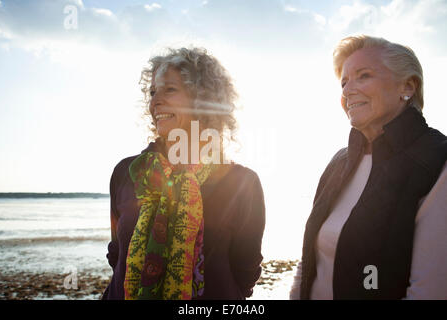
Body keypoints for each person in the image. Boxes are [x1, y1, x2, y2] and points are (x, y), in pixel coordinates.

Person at [290, 35, 447, 300]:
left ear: (407, 86)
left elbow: (429, 291)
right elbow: (308, 262)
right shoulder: (338, 162)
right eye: (344, 82)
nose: (348, 90)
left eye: (363, 76)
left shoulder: (437, 160)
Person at [102, 47, 265, 300]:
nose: (155, 101)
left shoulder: (240, 183)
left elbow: (246, 270)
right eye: (153, 91)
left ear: (202, 99)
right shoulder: (128, 172)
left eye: (169, 89)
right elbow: (116, 254)